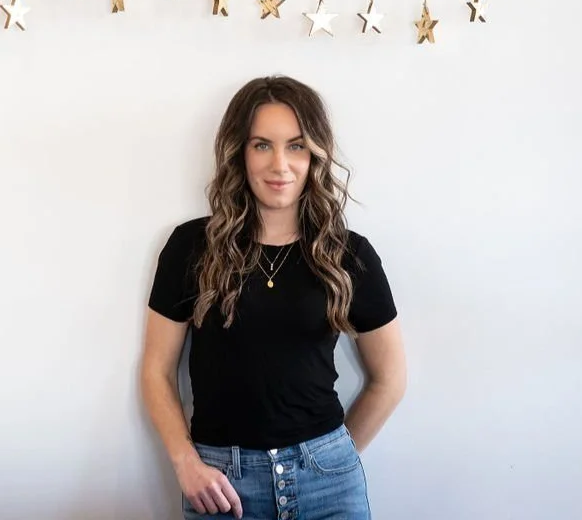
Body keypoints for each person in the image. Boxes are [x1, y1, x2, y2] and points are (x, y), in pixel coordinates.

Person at [140, 75, 406, 520]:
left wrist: (333, 460)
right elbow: (155, 370)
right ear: (239, 153)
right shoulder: (191, 247)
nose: (279, 164)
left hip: (328, 485)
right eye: (262, 145)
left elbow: (390, 378)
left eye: (296, 146)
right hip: (221, 486)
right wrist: (185, 462)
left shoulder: (349, 254)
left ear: (315, 155)